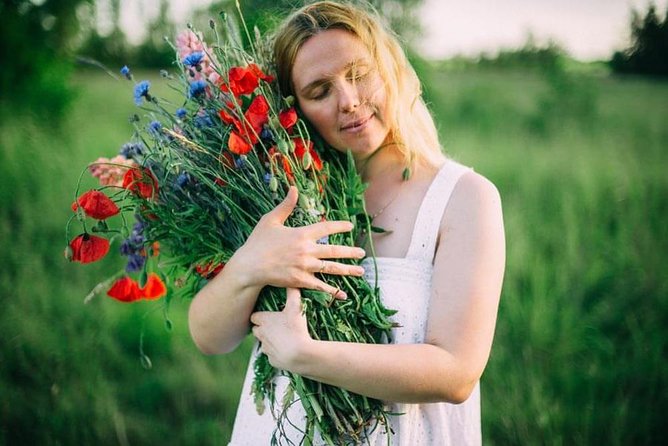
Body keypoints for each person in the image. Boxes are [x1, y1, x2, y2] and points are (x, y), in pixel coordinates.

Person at [188, 1, 505, 444]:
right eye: (319, 91)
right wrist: (251, 264)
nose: (349, 101)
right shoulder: (282, 193)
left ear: (389, 66)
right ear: (292, 107)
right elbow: (210, 338)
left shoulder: (464, 197)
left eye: (359, 74)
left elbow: (455, 373)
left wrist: (306, 355)